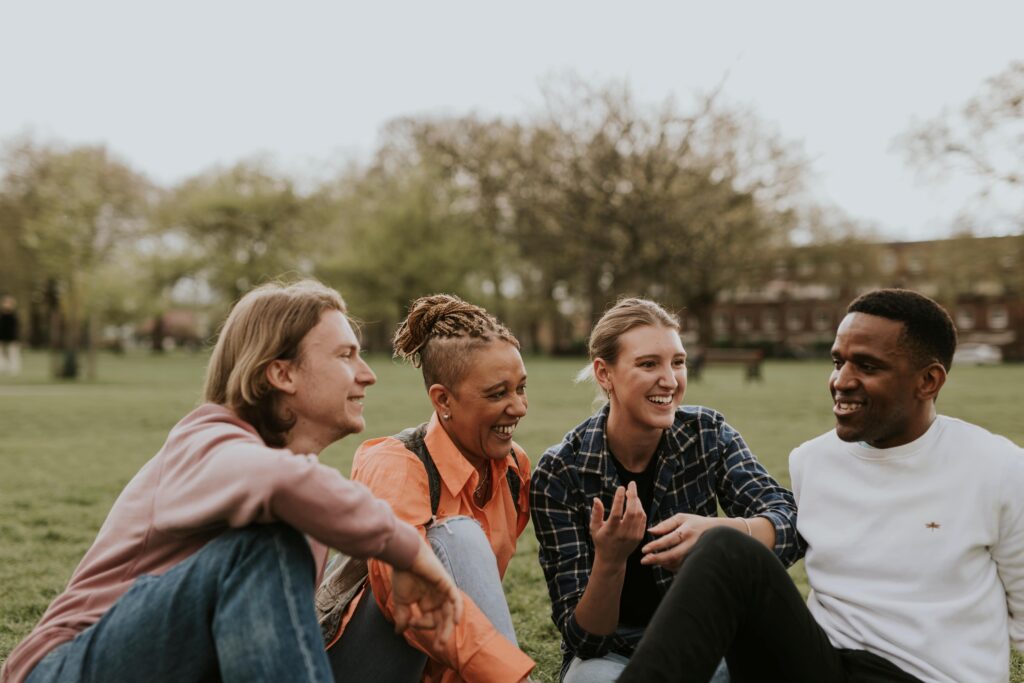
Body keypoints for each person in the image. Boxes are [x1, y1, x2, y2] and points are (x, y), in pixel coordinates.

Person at [1, 280, 462, 683]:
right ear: (281, 373)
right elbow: (283, 483)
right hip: (60, 669)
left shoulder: (280, 479)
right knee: (267, 545)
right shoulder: (205, 438)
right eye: (346, 355)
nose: (368, 374)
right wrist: (406, 550)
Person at [618, 288, 1024, 683]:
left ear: (928, 381)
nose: (841, 381)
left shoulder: (998, 468)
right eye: (837, 361)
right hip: (825, 667)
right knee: (725, 548)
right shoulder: (812, 461)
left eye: (867, 366)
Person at [530, 297, 802, 682]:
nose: (671, 380)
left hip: (710, 638)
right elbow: (585, 640)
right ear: (604, 374)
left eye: (678, 362)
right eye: (648, 364)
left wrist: (720, 535)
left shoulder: (707, 434)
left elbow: (788, 520)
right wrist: (610, 561)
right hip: (614, 652)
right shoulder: (560, 472)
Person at [323, 294, 536, 683]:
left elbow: (471, 599)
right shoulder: (395, 462)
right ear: (443, 400)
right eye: (497, 393)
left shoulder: (513, 468)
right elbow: (408, 595)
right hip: (346, 665)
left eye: (521, 388)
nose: (519, 407)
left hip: (429, 660)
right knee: (459, 535)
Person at [0, 295, 20, 376]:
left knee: (13, 353)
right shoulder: (1, 315)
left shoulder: (14, 316)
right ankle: (2, 367)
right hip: (2, 337)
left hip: (12, 338)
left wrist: (16, 338)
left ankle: (14, 368)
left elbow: (15, 328)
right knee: (1, 353)